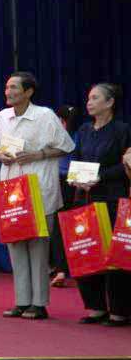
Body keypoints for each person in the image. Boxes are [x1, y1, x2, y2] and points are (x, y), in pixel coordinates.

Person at [0, 71, 75, 320]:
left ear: (28, 92)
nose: (9, 92)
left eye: (15, 88)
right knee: (15, 245)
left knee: (38, 248)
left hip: (38, 187)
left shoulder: (45, 115)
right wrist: (1, 155)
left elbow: (66, 146)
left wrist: (38, 155)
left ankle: (39, 303)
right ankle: (21, 300)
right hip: (11, 189)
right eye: (7, 87)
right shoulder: (2, 117)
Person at [69, 83, 131, 327]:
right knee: (86, 249)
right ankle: (95, 307)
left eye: (95, 98)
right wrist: (77, 178)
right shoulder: (84, 129)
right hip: (84, 196)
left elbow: (125, 166)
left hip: (112, 197)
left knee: (115, 255)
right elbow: (77, 159)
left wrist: (100, 177)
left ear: (110, 102)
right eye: (88, 98)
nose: (89, 102)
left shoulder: (122, 129)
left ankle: (119, 310)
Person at [50, 104, 81, 288]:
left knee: (59, 227)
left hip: (65, 183)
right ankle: (63, 267)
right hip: (76, 184)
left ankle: (61, 269)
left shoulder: (61, 137)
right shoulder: (80, 135)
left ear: (61, 120)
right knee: (69, 226)